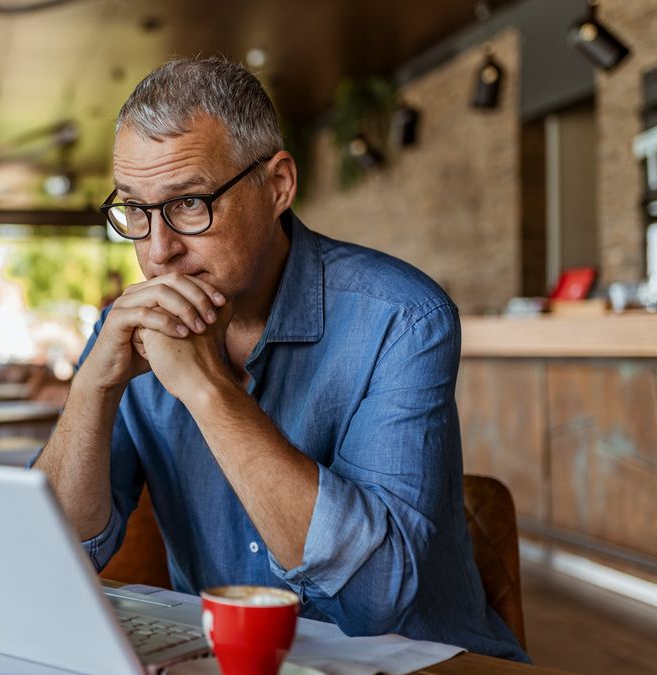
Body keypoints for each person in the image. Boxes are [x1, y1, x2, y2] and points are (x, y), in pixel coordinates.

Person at [33, 57, 528, 662]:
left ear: (278, 186)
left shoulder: (401, 318)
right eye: (135, 210)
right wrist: (92, 388)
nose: (158, 251)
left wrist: (209, 392)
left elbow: (375, 602)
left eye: (189, 202)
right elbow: (51, 560)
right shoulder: (128, 330)